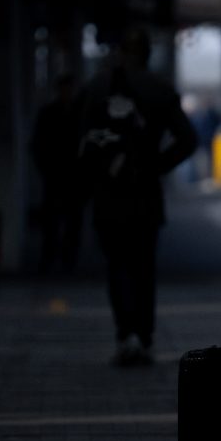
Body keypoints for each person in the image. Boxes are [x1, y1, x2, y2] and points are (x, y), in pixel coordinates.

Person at [78, 26, 198, 366]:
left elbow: (81, 140)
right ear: (147, 54)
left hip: (107, 194)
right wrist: (156, 166)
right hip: (144, 193)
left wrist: (95, 175)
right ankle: (144, 337)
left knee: (116, 265)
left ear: (120, 52)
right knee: (143, 267)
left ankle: (124, 335)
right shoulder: (159, 89)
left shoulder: (96, 87)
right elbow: (187, 139)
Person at [31, 72, 86, 273]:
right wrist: (45, 167)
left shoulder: (80, 114)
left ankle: (68, 258)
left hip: (74, 175)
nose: (67, 93)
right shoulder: (49, 113)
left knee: (73, 220)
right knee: (52, 219)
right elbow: (38, 143)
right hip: (55, 173)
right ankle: (50, 256)